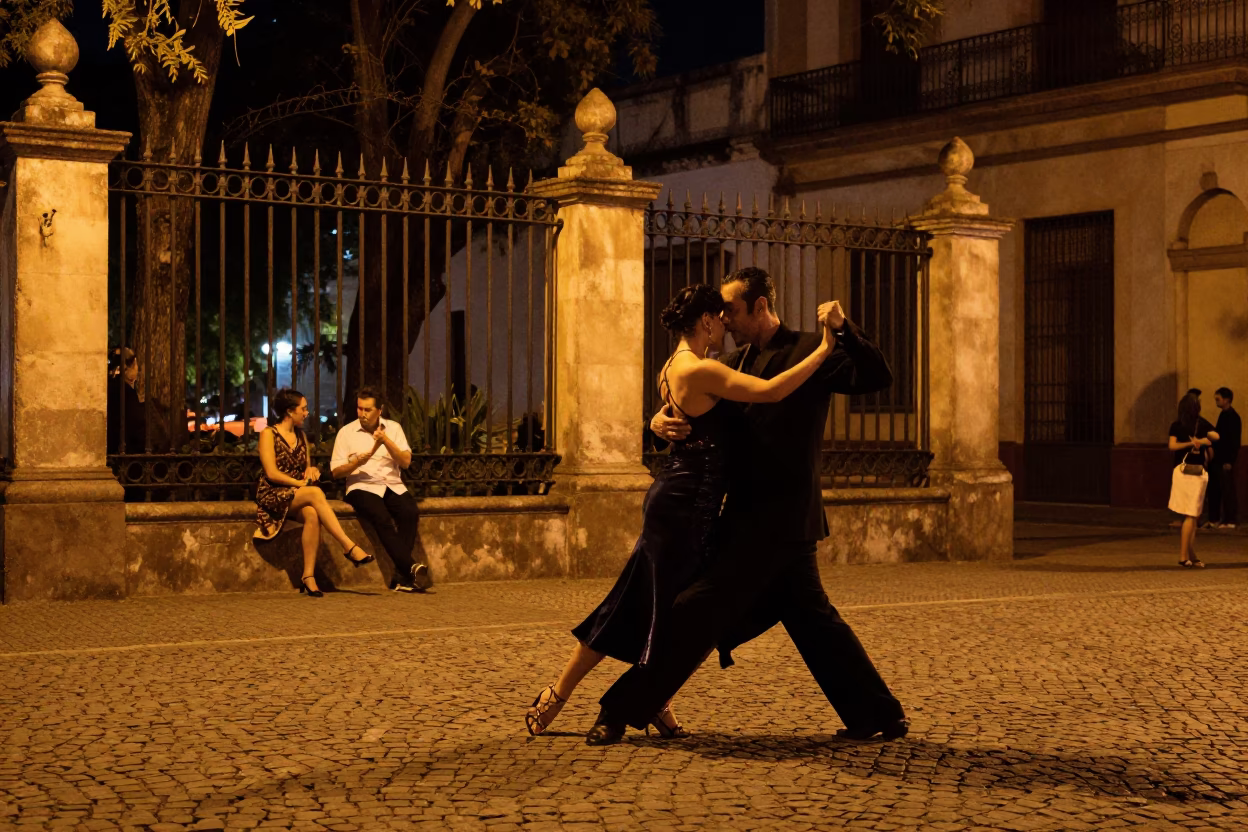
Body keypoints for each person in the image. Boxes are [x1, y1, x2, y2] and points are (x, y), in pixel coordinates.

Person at [585, 267, 906, 746]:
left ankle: (619, 709)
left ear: (760, 306)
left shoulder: (810, 351)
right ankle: (877, 714)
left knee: (696, 611)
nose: (724, 319)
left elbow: (878, 374)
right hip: (749, 515)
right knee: (813, 620)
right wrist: (659, 420)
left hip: (781, 516)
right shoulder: (733, 362)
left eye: (732, 310)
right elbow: (699, 419)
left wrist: (842, 329)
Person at [524, 284, 838, 738]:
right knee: (632, 608)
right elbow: (770, 391)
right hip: (681, 511)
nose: (726, 326)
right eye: (720, 317)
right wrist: (826, 348)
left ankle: (654, 701)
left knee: (687, 615)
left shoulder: (671, 367)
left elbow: (689, 422)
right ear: (707, 321)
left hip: (693, 507)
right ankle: (557, 692)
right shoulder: (700, 369)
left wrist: (656, 421)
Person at [254, 388, 375, 596]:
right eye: (304, 408)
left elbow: (306, 468)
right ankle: (348, 546)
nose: (307, 412)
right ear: (290, 412)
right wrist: (299, 483)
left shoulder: (301, 436)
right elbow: (271, 473)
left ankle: (308, 577)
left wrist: (312, 471)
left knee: (312, 514)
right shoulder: (268, 434)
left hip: (297, 493)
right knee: (315, 494)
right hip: (273, 494)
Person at [330, 386, 432, 593]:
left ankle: (401, 577)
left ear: (379, 410)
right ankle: (410, 567)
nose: (362, 414)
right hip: (361, 486)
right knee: (381, 517)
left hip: (391, 483)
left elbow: (405, 461)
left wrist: (385, 441)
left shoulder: (393, 428)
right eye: (359, 409)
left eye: (367, 410)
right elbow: (336, 472)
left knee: (409, 512)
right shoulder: (346, 433)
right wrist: (356, 462)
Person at [1168, 392, 1219, 568]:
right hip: (1193, 472)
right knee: (1191, 514)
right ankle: (1184, 557)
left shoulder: (1179, 425)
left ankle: (1191, 554)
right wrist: (1194, 443)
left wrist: (1203, 439)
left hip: (1182, 471)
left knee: (1191, 515)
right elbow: (1216, 437)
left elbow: (1173, 446)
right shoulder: (1197, 424)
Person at [1208, 387, 1240, 530]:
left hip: (1225, 460)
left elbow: (1233, 441)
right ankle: (1217, 519)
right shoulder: (1223, 415)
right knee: (1216, 489)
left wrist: (1229, 461)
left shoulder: (1232, 417)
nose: (1216, 402)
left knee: (1227, 490)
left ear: (1227, 400)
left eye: (1218, 399)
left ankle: (1230, 520)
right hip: (1218, 459)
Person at [106, 347, 145, 454]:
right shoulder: (126, 392)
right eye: (136, 364)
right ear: (129, 367)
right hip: (125, 453)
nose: (137, 369)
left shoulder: (106, 388)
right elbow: (136, 425)